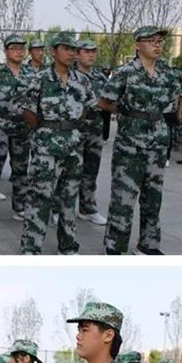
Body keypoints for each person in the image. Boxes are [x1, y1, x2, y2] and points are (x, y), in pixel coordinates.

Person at [99, 26, 180, 255]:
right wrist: (126, 112)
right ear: (137, 45)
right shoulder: (125, 72)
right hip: (130, 144)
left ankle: (148, 245)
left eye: (160, 41)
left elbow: (171, 102)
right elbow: (104, 102)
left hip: (158, 142)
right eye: (151, 40)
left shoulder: (167, 73)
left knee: (153, 197)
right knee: (124, 196)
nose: (157, 45)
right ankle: (115, 246)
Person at [20, 32, 96, 255]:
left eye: (74, 49)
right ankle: (31, 247)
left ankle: (68, 245)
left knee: (69, 199)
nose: (71, 53)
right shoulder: (40, 78)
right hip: (46, 148)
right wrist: (48, 129)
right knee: (40, 198)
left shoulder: (82, 80)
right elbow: (28, 112)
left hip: (73, 148)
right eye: (66, 48)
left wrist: (70, 127)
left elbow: (87, 108)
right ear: (54, 51)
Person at [0, 34, 31, 227]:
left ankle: (20, 207)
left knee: (21, 169)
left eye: (21, 48)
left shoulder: (32, 75)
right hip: (0, 127)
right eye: (14, 48)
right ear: (6, 51)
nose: (18, 51)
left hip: (23, 128)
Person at [74, 39, 109, 225]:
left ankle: (87, 208)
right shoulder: (69, 75)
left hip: (94, 130)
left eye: (93, 51)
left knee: (91, 170)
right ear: (77, 54)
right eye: (87, 51)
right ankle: (59, 209)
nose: (91, 55)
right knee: (68, 171)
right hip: (74, 130)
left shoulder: (100, 77)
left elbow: (107, 101)